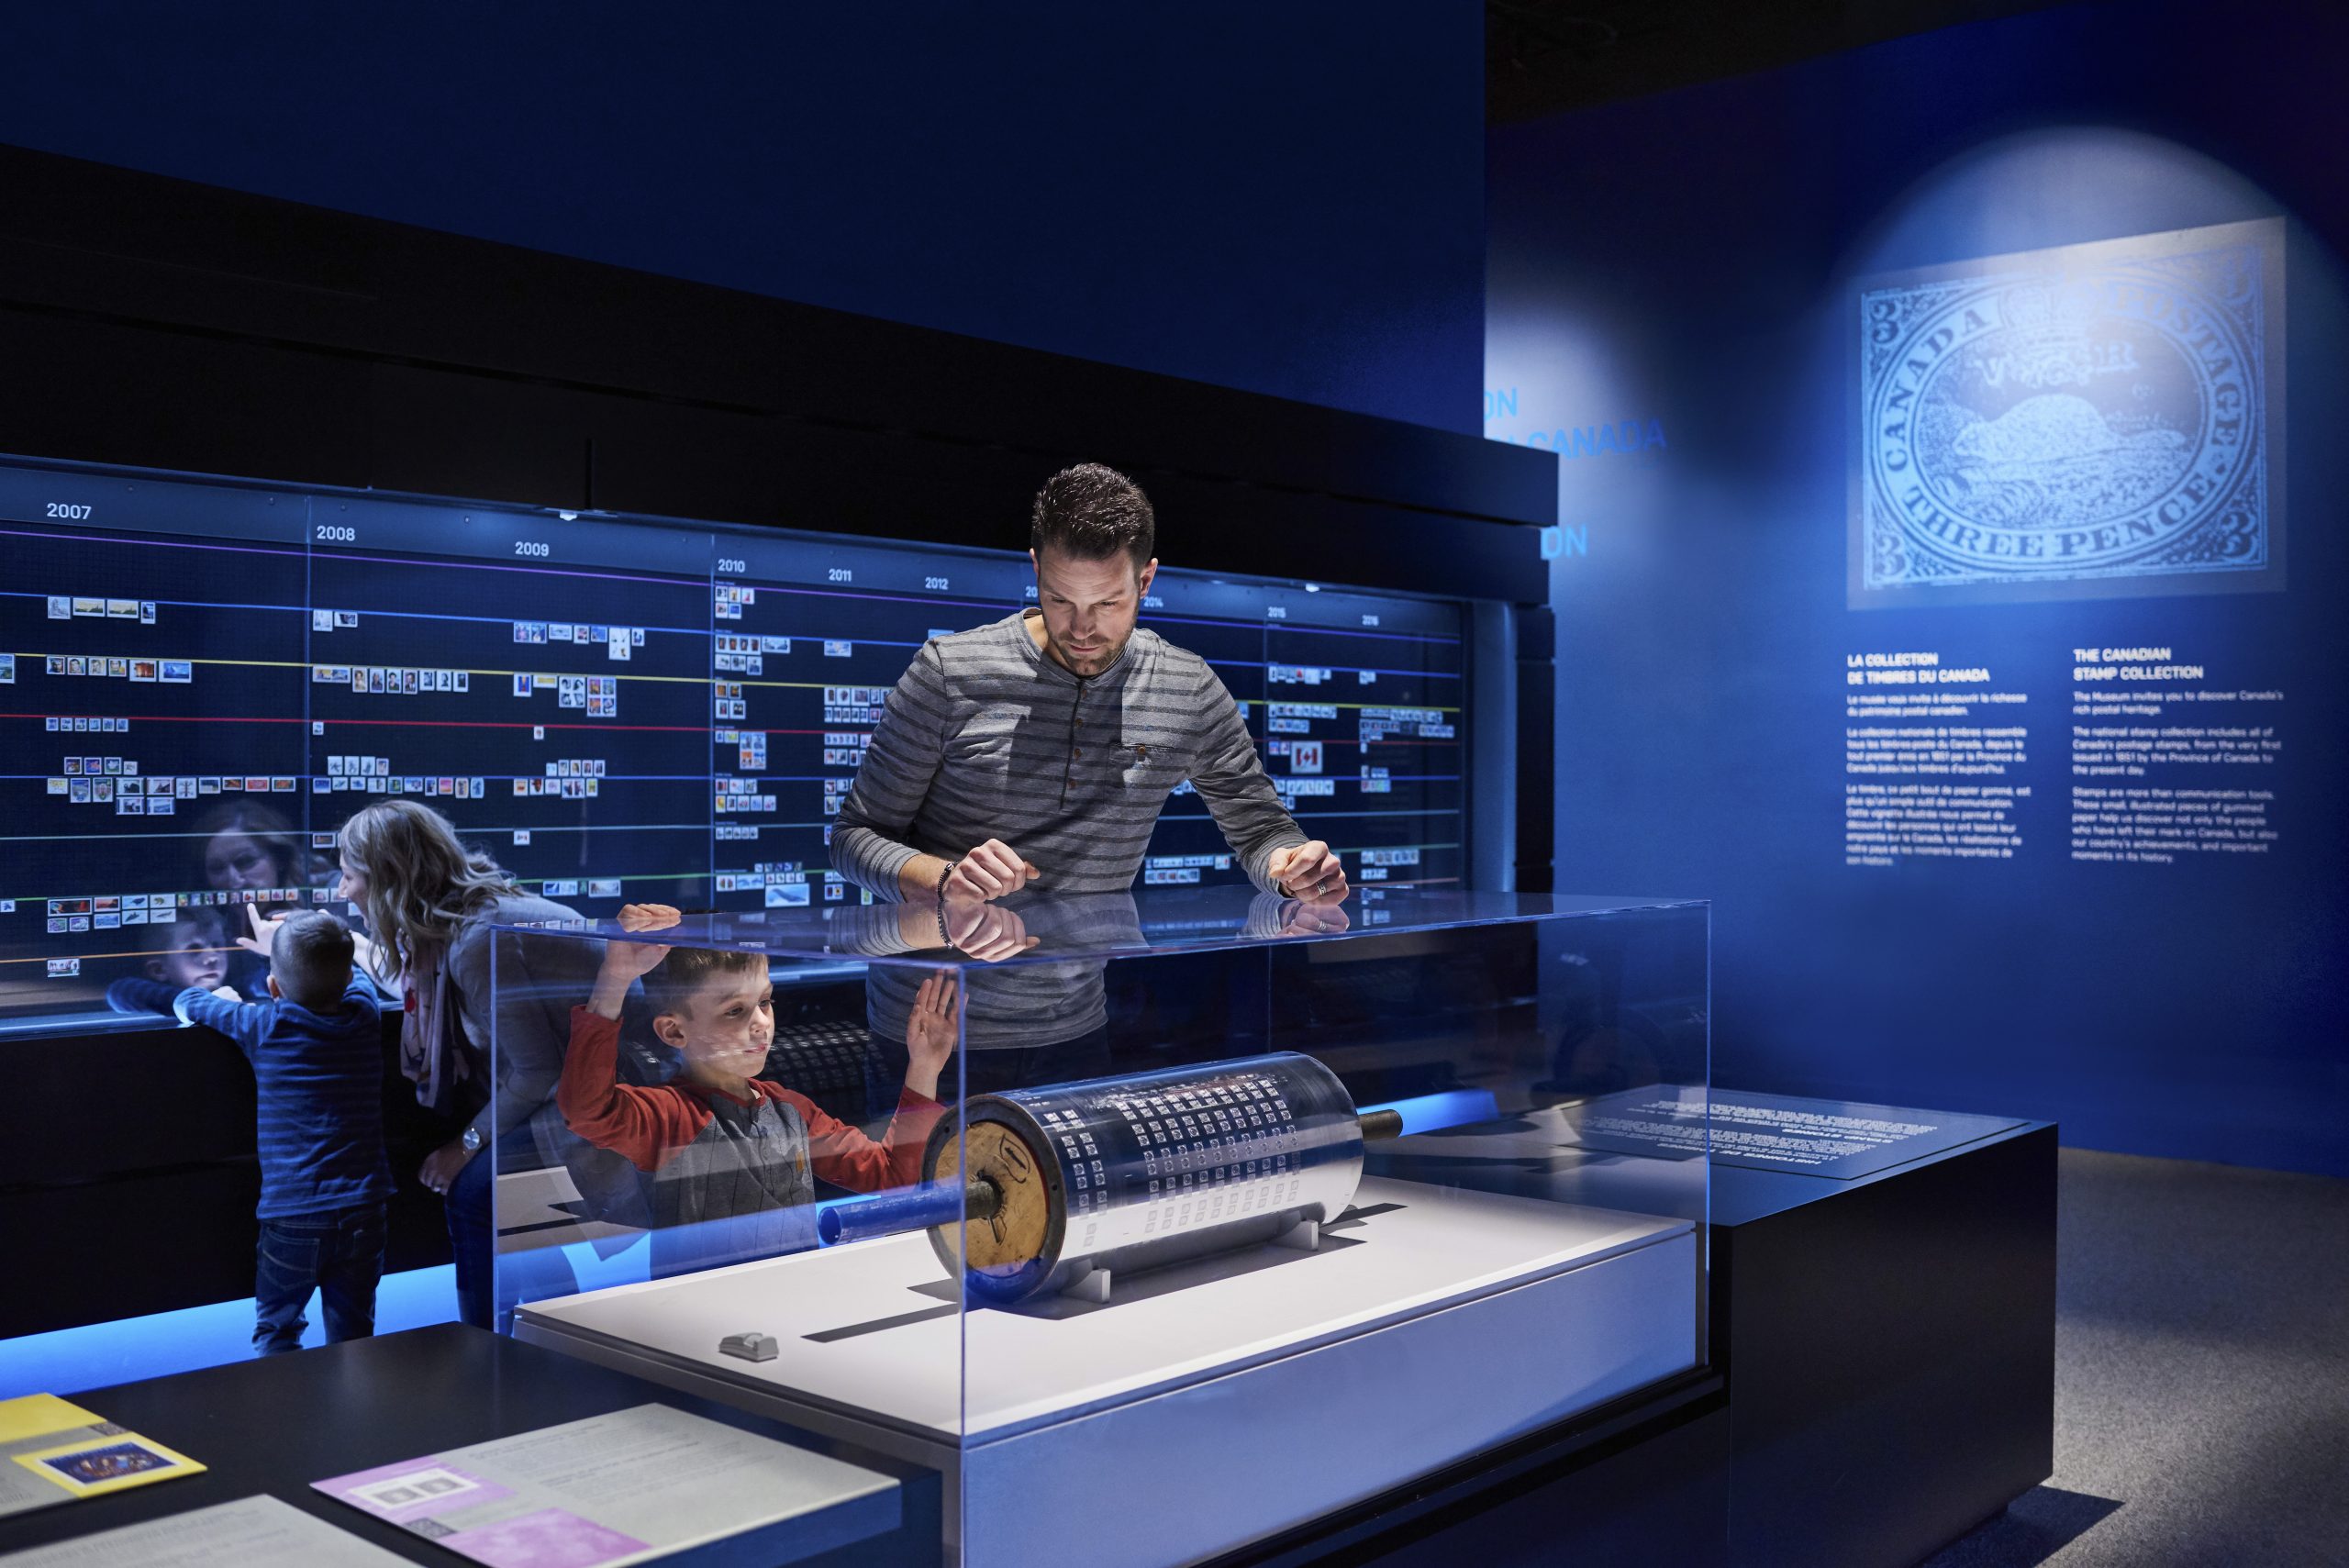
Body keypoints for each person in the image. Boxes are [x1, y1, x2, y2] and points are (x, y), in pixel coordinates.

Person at [829, 462, 1349, 1084]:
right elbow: (852, 839)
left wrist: (1291, 867)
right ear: (1035, 570)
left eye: (1108, 603)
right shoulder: (949, 671)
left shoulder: (1187, 687)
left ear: (1147, 579)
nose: (1081, 629)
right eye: (1059, 599)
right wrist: (943, 881)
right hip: (926, 1035)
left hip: (1076, 1030)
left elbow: (1263, 831)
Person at [278, 798, 605, 1329]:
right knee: (506, 1202)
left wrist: (465, 1146)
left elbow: (538, 1070)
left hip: (613, 1095)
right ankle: (541, 1334)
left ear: (388, 879)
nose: (342, 891)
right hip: (570, 1091)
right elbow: (416, 988)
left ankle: (486, 1346)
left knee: (475, 1191)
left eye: (348, 875)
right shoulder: (462, 925)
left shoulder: (478, 943)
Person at [559, 904, 953, 1273]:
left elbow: (891, 1176)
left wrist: (924, 1067)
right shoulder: (670, 1116)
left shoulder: (790, 1110)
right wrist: (613, 980)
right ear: (674, 1030)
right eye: (735, 1010)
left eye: (765, 1001)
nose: (761, 1022)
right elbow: (587, 1111)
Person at [108, 911, 390, 1355]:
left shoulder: (262, 1025)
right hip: (365, 1210)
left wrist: (243, 983)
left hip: (292, 1217)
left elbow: (185, 1003)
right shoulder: (366, 1014)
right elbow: (353, 976)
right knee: (355, 1331)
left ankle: (282, 1414)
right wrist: (307, 941)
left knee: (277, 1331)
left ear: (273, 988)